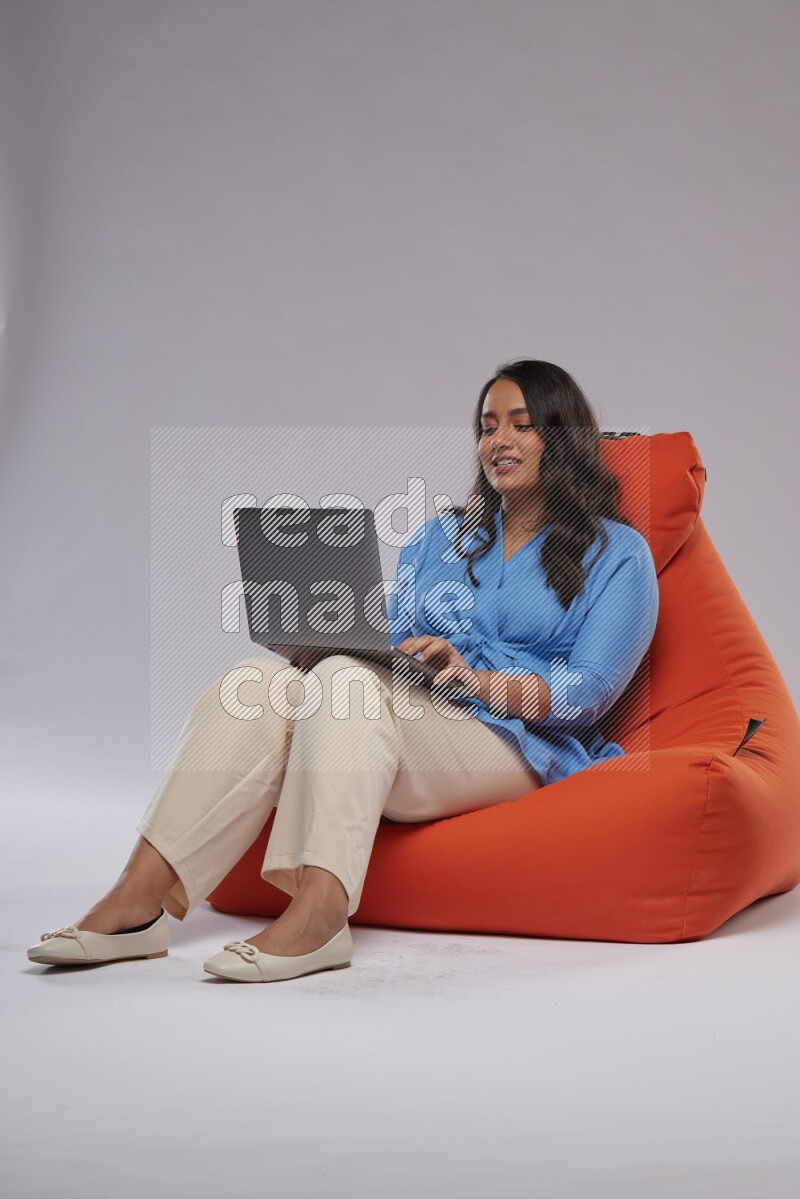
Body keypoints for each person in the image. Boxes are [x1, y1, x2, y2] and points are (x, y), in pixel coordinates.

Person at [27, 359, 659, 983]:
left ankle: (321, 915)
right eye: (488, 426)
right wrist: (321, 643)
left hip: (516, 742)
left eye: (521, 425)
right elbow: (393, 641)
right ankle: (137, 903)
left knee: (347, 685)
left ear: (564, 435)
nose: (499, 441)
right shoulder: (440, 539)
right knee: (257, 685)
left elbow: (590, 692)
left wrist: (480, 680)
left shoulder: (617, 552)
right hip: (415, 713)